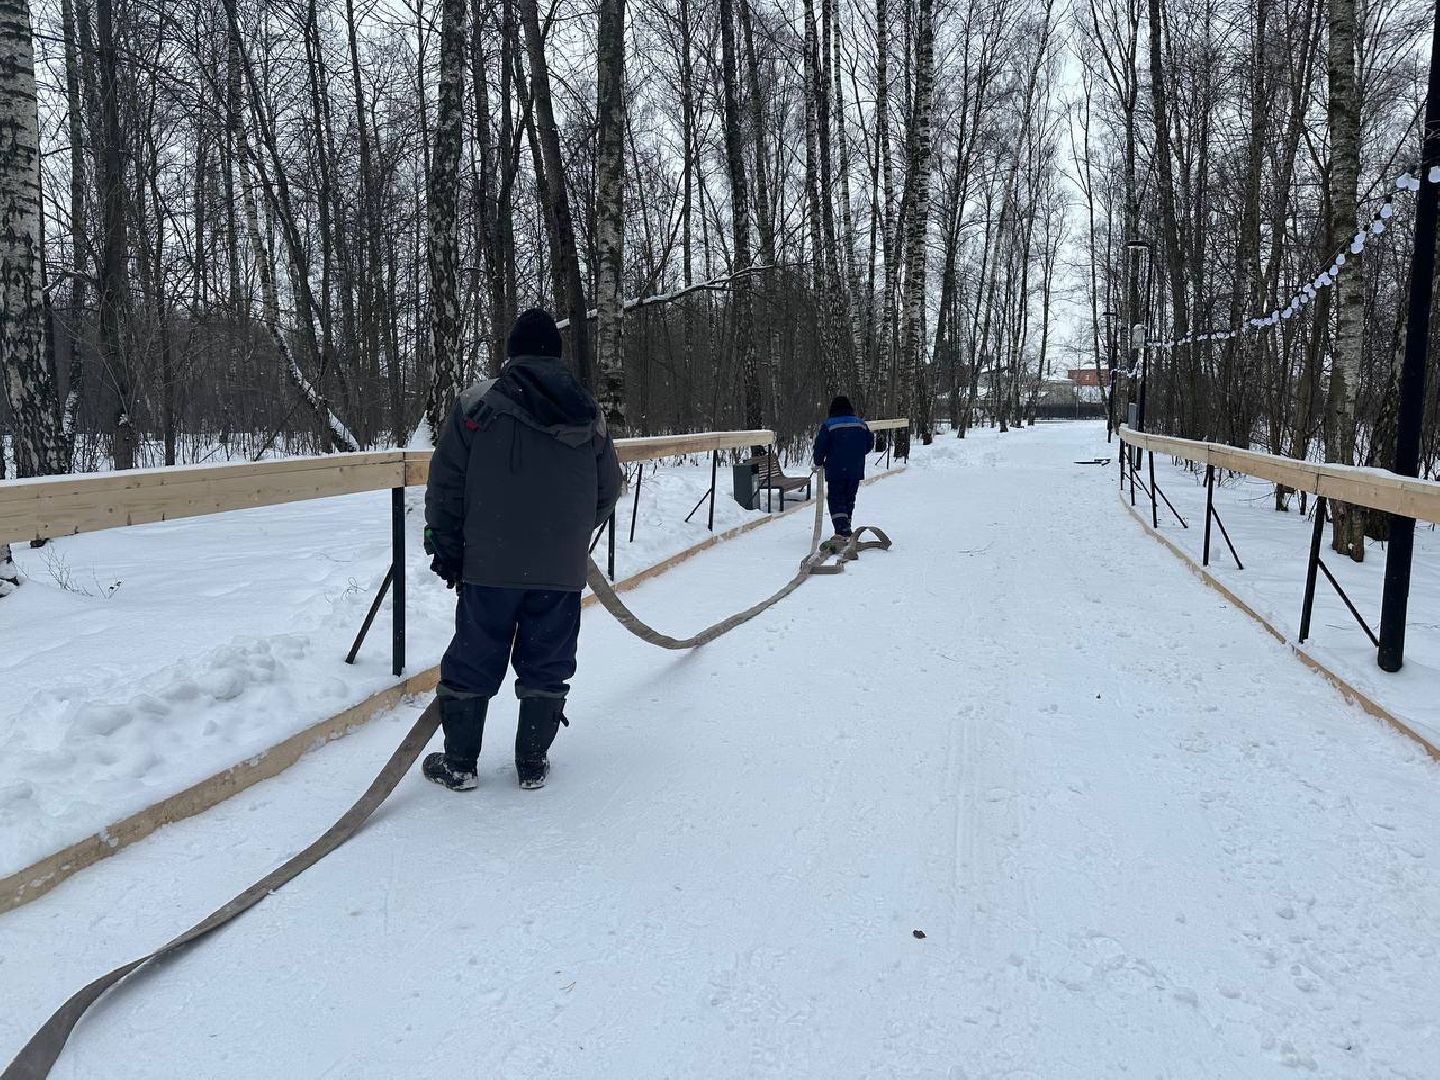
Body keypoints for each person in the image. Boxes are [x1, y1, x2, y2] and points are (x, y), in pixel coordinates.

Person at [422, 308, 623, 791]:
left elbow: (447, 484)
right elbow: (608, 488)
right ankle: (532, 762)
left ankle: (460, 763)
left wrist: (446, 544)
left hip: (489, 562)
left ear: (512, 353)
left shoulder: (477, 404)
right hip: (559, 567)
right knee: (548, 658)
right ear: (556, 354)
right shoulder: (587, 410)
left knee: (475, 654)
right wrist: (570, 535)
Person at [812, 396, 873, 548]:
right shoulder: (860, 423)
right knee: (849, 498)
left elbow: (820, 445)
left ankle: (842, 529)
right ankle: (846, 525)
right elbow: (869, 443)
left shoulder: (829, 424)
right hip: (855, 468)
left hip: (836, 468)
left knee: (836, 498)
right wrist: (856, 454)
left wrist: (818, 461)